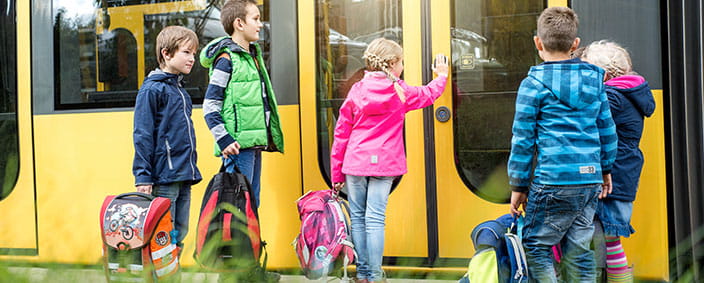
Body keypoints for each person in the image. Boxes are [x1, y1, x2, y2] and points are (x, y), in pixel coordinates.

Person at [507, 7, 618, 282]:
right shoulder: (595, 80)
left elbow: (522, 141)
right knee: (579, 250)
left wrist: (518, 185)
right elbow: (606, 129)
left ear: (538, 42)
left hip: (553, 181)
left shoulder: (532, 85)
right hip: (589, 181)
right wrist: (605, 169)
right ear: (575, 45)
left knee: (535, 245)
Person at [330, 38, 449, 283]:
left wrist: (336, 174)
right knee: (375, 219)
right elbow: (429, 94)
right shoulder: (400, 91)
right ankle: (374, 276)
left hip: (355, 163)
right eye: (402, 62)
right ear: (392, 63)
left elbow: (341, 134)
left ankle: (363, 275)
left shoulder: (357, 91)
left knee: (359, 217)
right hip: (385, 164)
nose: (403, 66)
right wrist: (442, 76)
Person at [582, 40, 655, 282]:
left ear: (602, 74)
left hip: (612, 178)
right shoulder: (629, 93)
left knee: (603, 241)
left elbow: (587, 123)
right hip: (624, 173)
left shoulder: (612, 97)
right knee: (611, 242)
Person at [200, 0, 284, 209]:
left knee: (251, 204)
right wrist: (224, 139)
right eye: (255, 19)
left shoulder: (252, 58)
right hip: (238, 147)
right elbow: (210, 106)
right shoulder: (226, 59)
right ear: (239, 23)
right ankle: (237, 243)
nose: (260, 24)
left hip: (253, 144)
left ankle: (251, 243)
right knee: (238, 206)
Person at [132, 26, 202, 253]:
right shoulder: (152, 90)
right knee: (161, 236)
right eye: (186, 52)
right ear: (166, 53)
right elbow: (142, 134)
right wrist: (143, 176)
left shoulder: (180, 91)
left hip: (184, 174)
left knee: (179, 234)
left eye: (194, 53)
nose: (192, 58)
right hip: (164, 177)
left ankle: (174, 274)